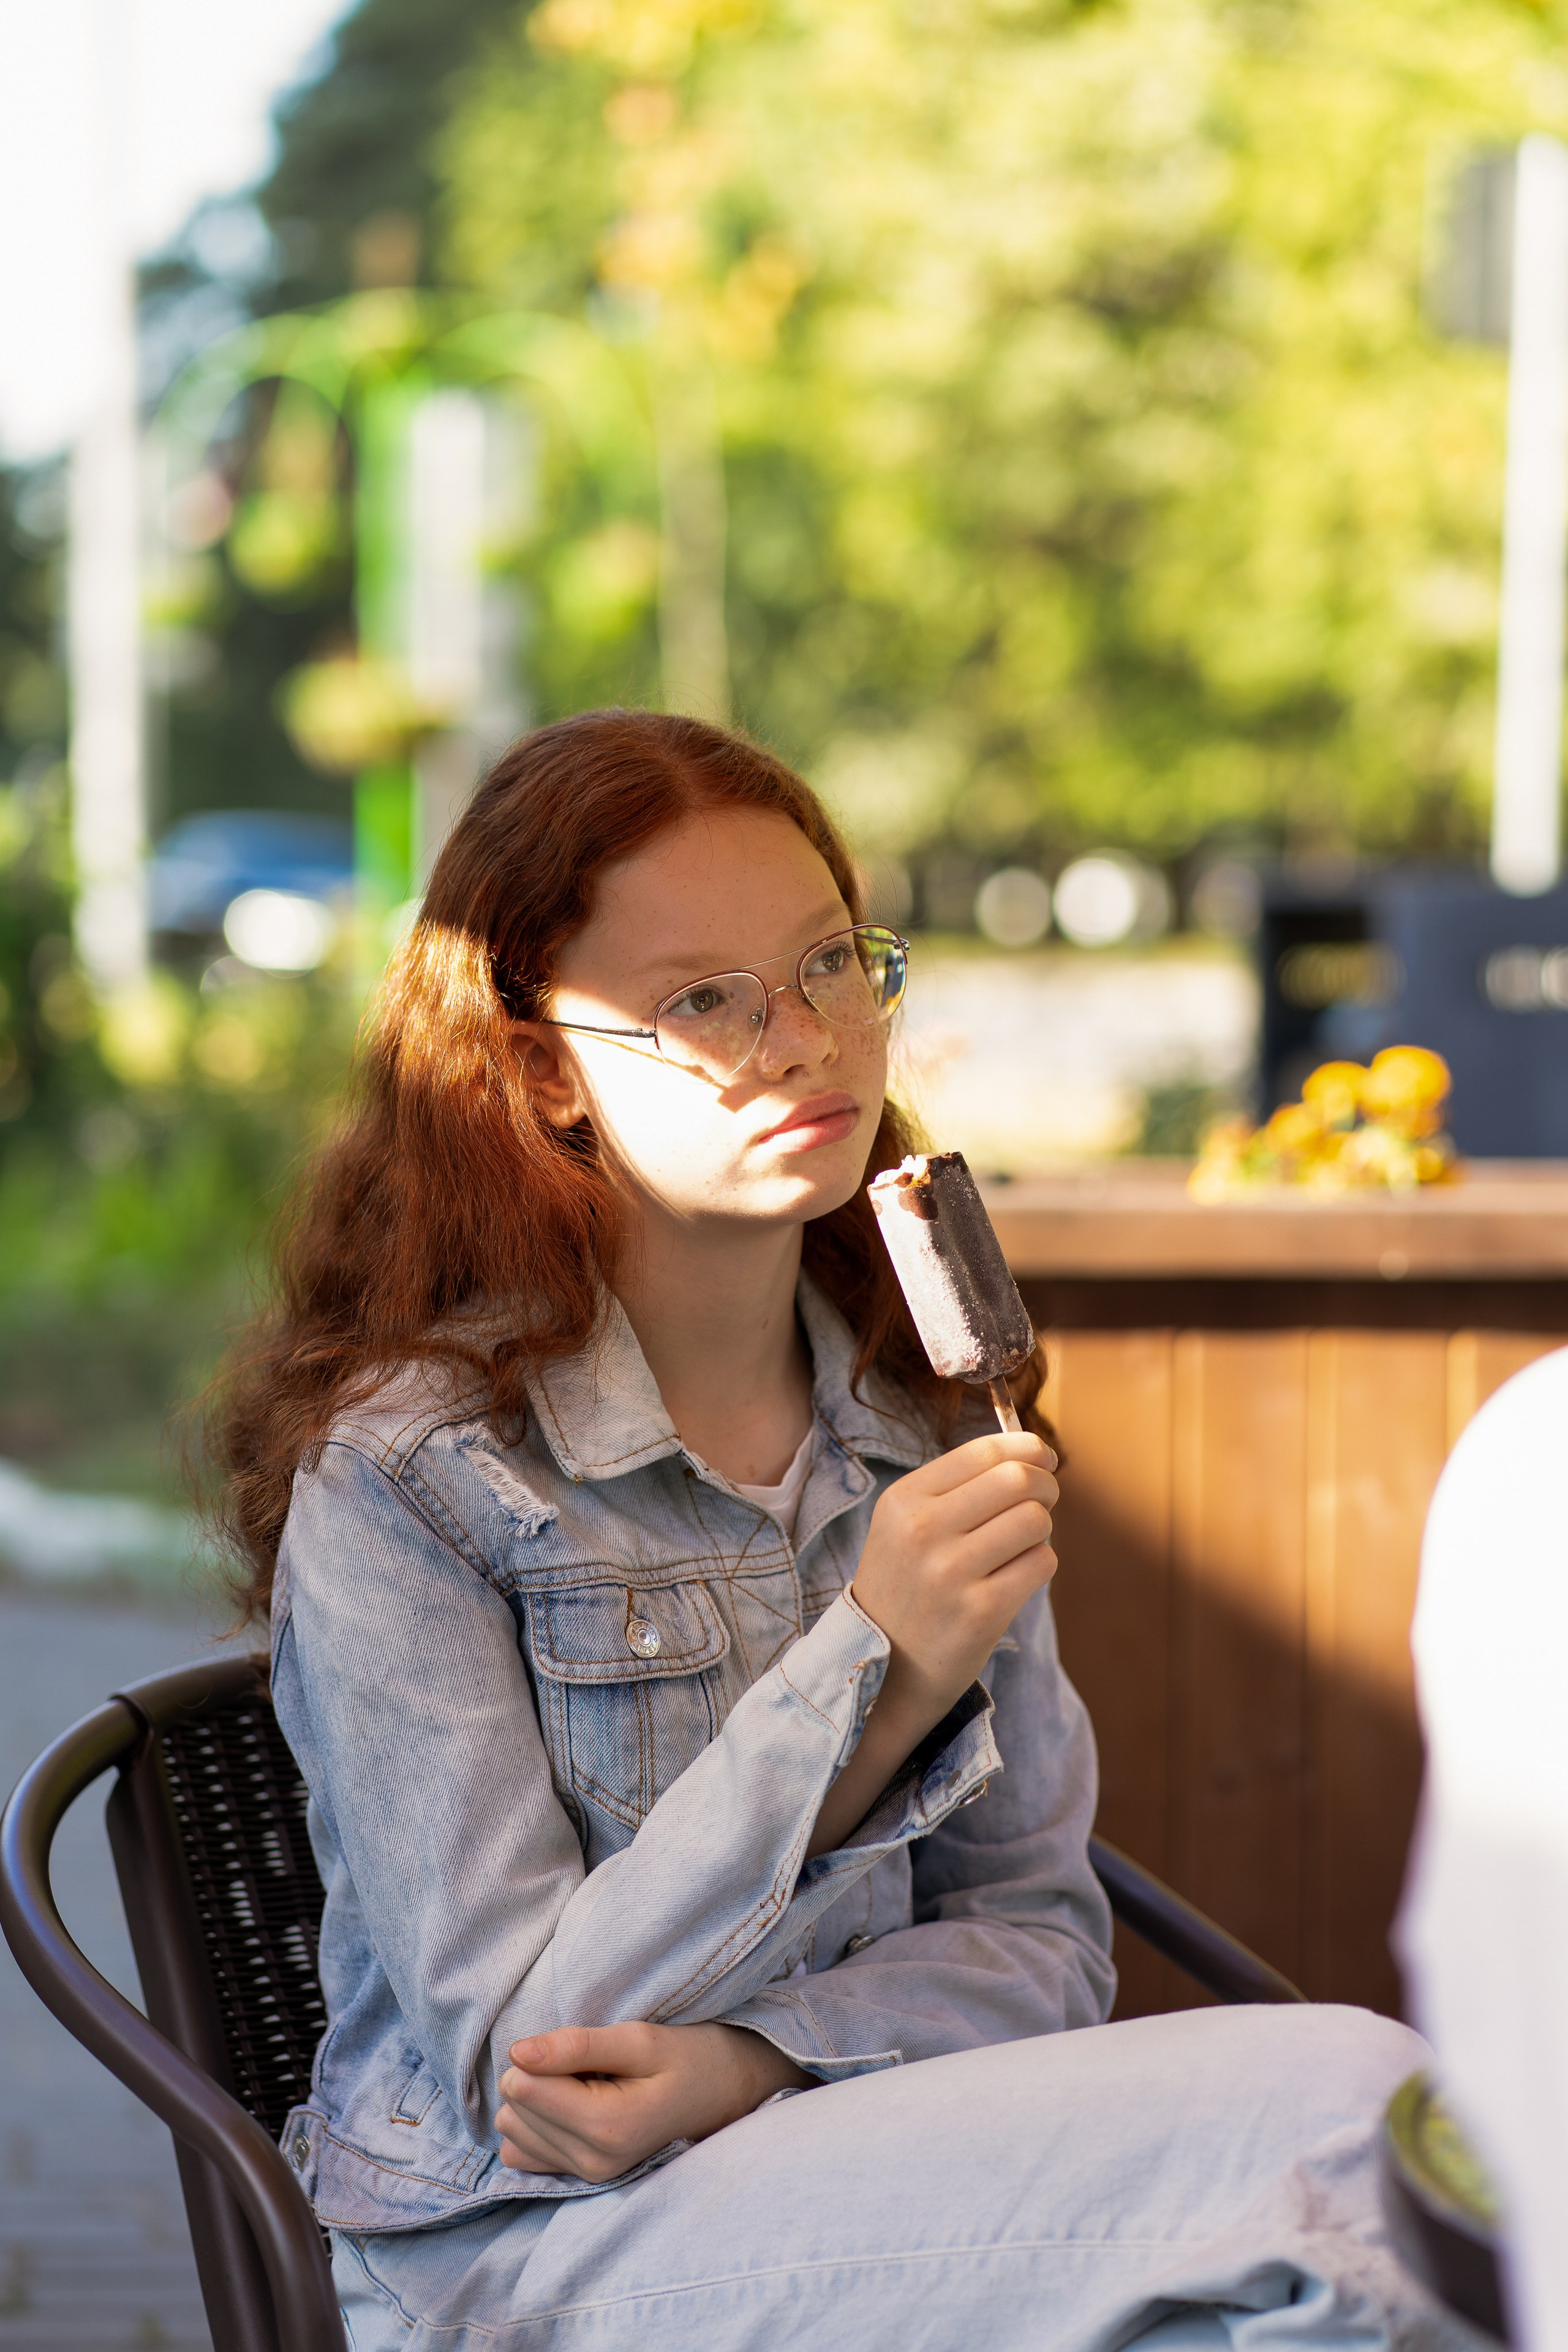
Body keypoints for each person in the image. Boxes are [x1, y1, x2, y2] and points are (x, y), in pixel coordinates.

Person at [210, 710, 1467, 2352]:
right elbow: (530, 2062)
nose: (803, 1040)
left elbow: (1042, 1944)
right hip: (521, 2256)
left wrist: (758, 2060)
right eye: (703, 999)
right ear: (542, 1073)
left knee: (1330, 2266)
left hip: (853, 2175)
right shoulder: (411, 1476)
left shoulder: (921, 1418)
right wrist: (872, 1674)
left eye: (827, 963)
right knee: (1359, 2132)